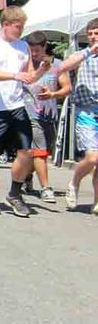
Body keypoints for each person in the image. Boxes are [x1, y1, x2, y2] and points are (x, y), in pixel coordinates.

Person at [0, 7, 48, 216]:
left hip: (16, 106)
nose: (21, 30)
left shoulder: (22, 46)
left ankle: (15, 193)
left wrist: (41, 71)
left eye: (22, 27)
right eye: (18, 27)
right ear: (5, 24)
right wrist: (15, 76)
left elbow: (29, 76)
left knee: (26, 152)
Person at [57, 18, 98, 212]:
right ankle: (74, 182)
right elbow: (63, 68)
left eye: (96, 33)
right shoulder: (82, 55)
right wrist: (89, 51)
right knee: (92, 158)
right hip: (86, 110)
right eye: (90, 33)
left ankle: (97, 202)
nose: (93, 37)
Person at [22, 32, 68, 202]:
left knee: (43, 152)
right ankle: (46, 188)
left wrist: (53, 94)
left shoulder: (57, 65)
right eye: (31, 50)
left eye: (37, 50)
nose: (34, 54)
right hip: (30, 113)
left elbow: (67, 88)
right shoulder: (24, 65)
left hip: (50, 115)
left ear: (45, 46)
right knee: (40, 152)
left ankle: (26, 176)